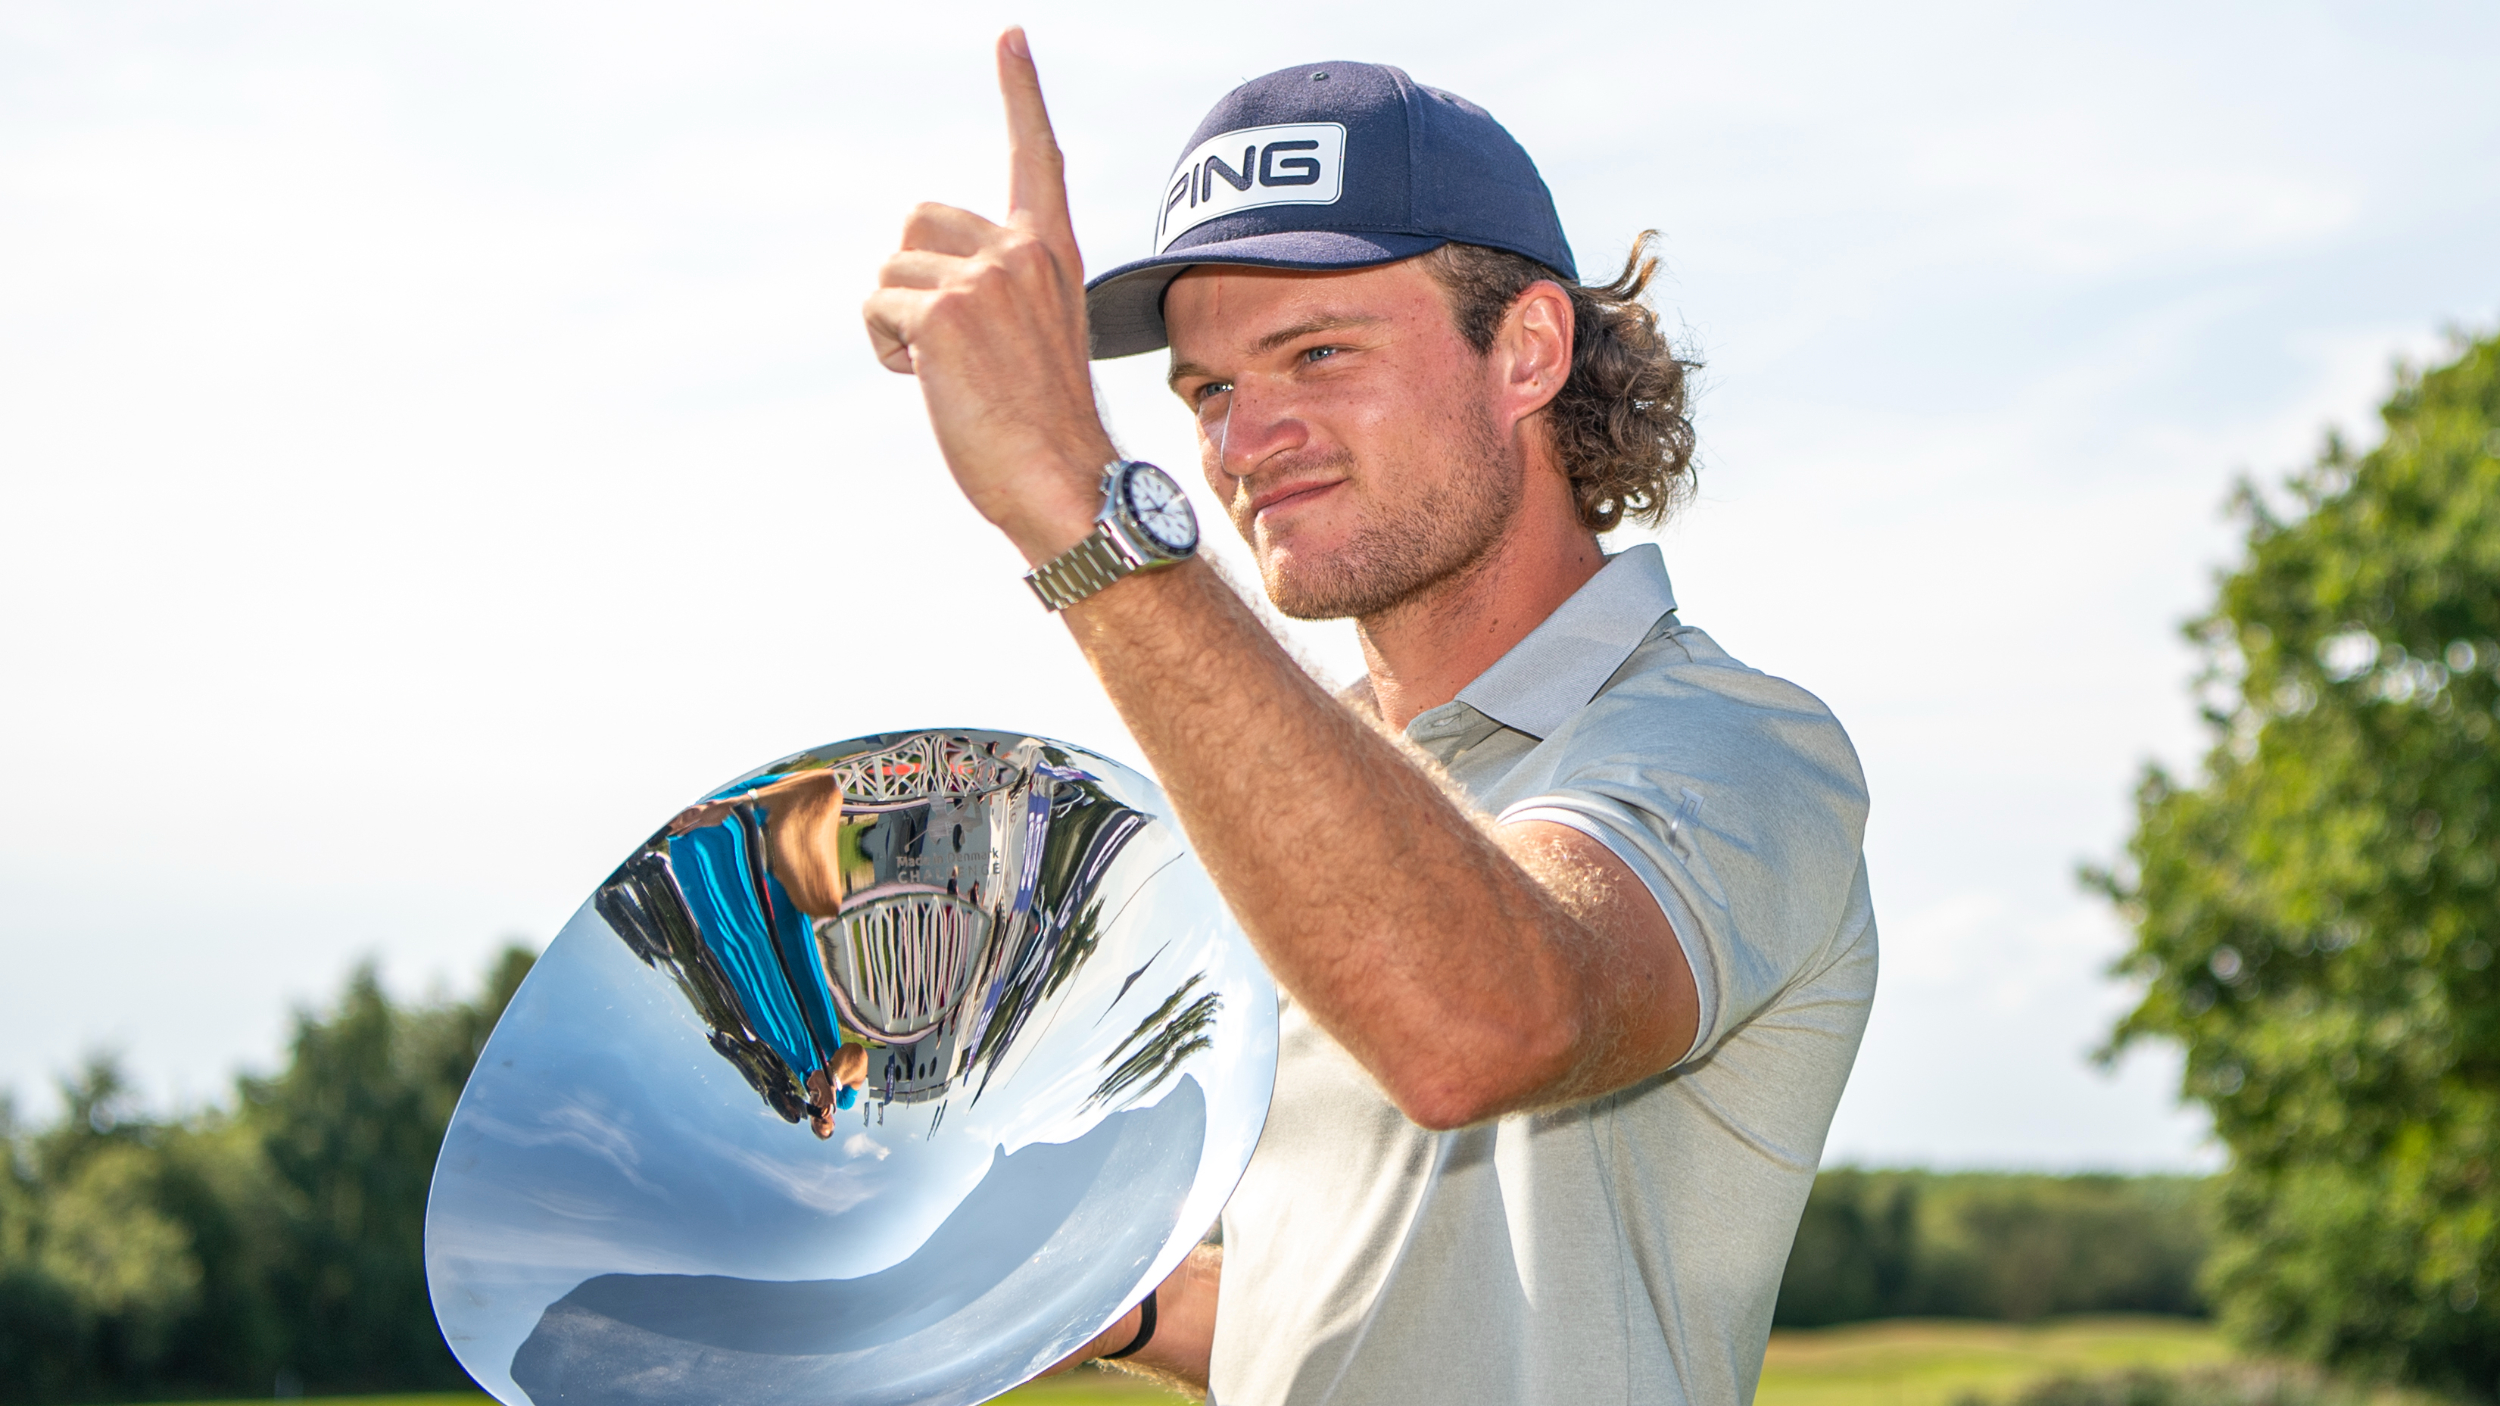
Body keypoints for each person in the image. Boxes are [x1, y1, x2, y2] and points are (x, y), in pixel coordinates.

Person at [864, 33, 1878, 1406]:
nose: (1238, 439)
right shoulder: (1295, 792)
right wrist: (1106, 1294)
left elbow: (1478, 1020)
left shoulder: (1738, 746)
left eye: (1318, 351)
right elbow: (1353, 1313)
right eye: (1210, 389)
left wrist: (1072, 495)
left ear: (1525, 351)